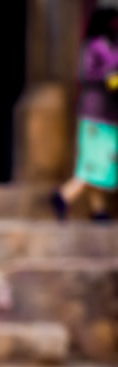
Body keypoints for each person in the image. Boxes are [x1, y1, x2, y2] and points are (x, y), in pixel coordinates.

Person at [51, 6, 118, 224]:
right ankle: (65, 194)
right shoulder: (96, 47)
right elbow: (96, 74)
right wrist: (111, 78)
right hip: (96, 113)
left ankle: (99, 211)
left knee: (98, 162)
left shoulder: (109, 45)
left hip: (107, 114)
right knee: (96, 162)